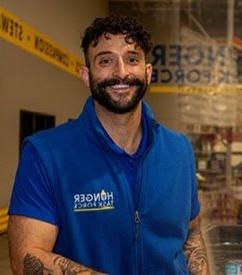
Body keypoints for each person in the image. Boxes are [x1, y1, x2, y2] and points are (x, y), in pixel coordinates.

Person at [8, 15, 209, 274]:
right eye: (105, 61)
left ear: (147, 73)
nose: (121, 72)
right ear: (86, 75)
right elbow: (26, 257)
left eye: (132, 59)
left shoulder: (179, 150)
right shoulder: (45, 153)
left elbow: (191, 231)